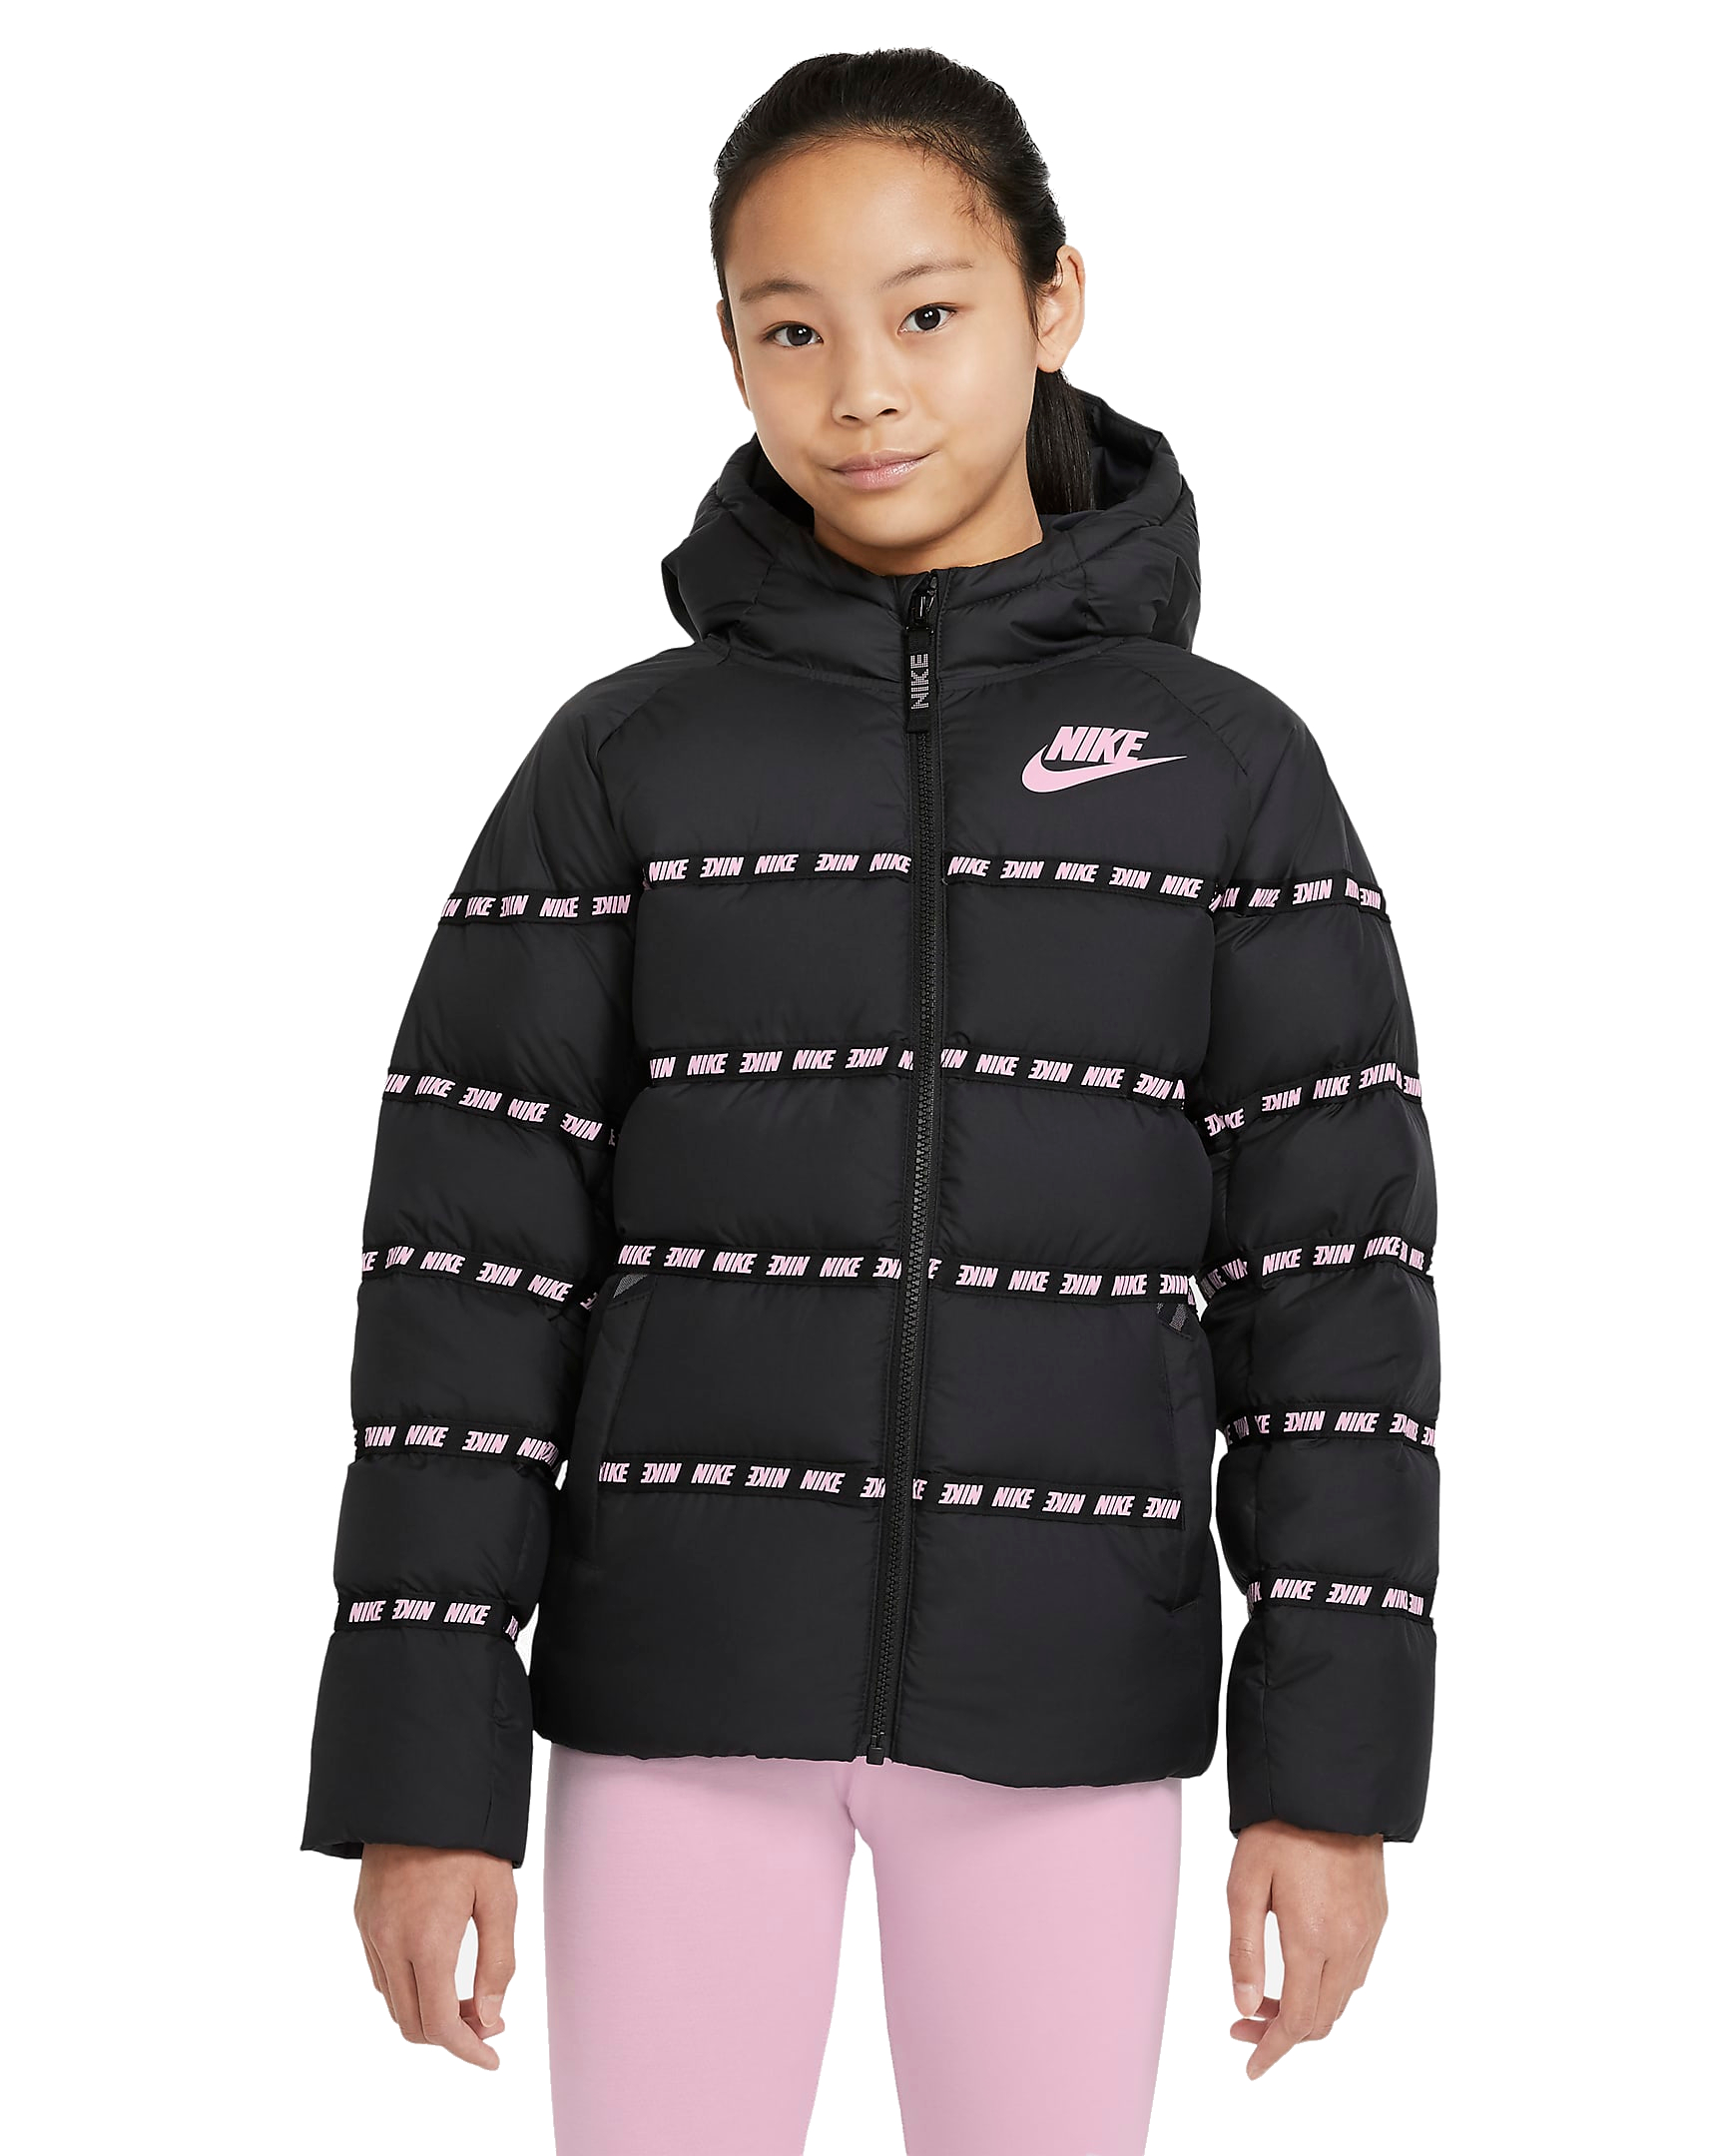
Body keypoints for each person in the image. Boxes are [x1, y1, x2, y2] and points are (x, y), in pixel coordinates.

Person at [302, 46, 1439, 2156]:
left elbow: (1335, 1300)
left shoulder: (1226, 770)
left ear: (1053, 301)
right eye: (791, 331)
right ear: (729, 346)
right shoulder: (623, 766)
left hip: (1064, 1696)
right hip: (675, 1692)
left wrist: (1330, 1783)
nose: (862, 390)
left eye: (927, 311)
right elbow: (464, 1278)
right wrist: (420, 1784)